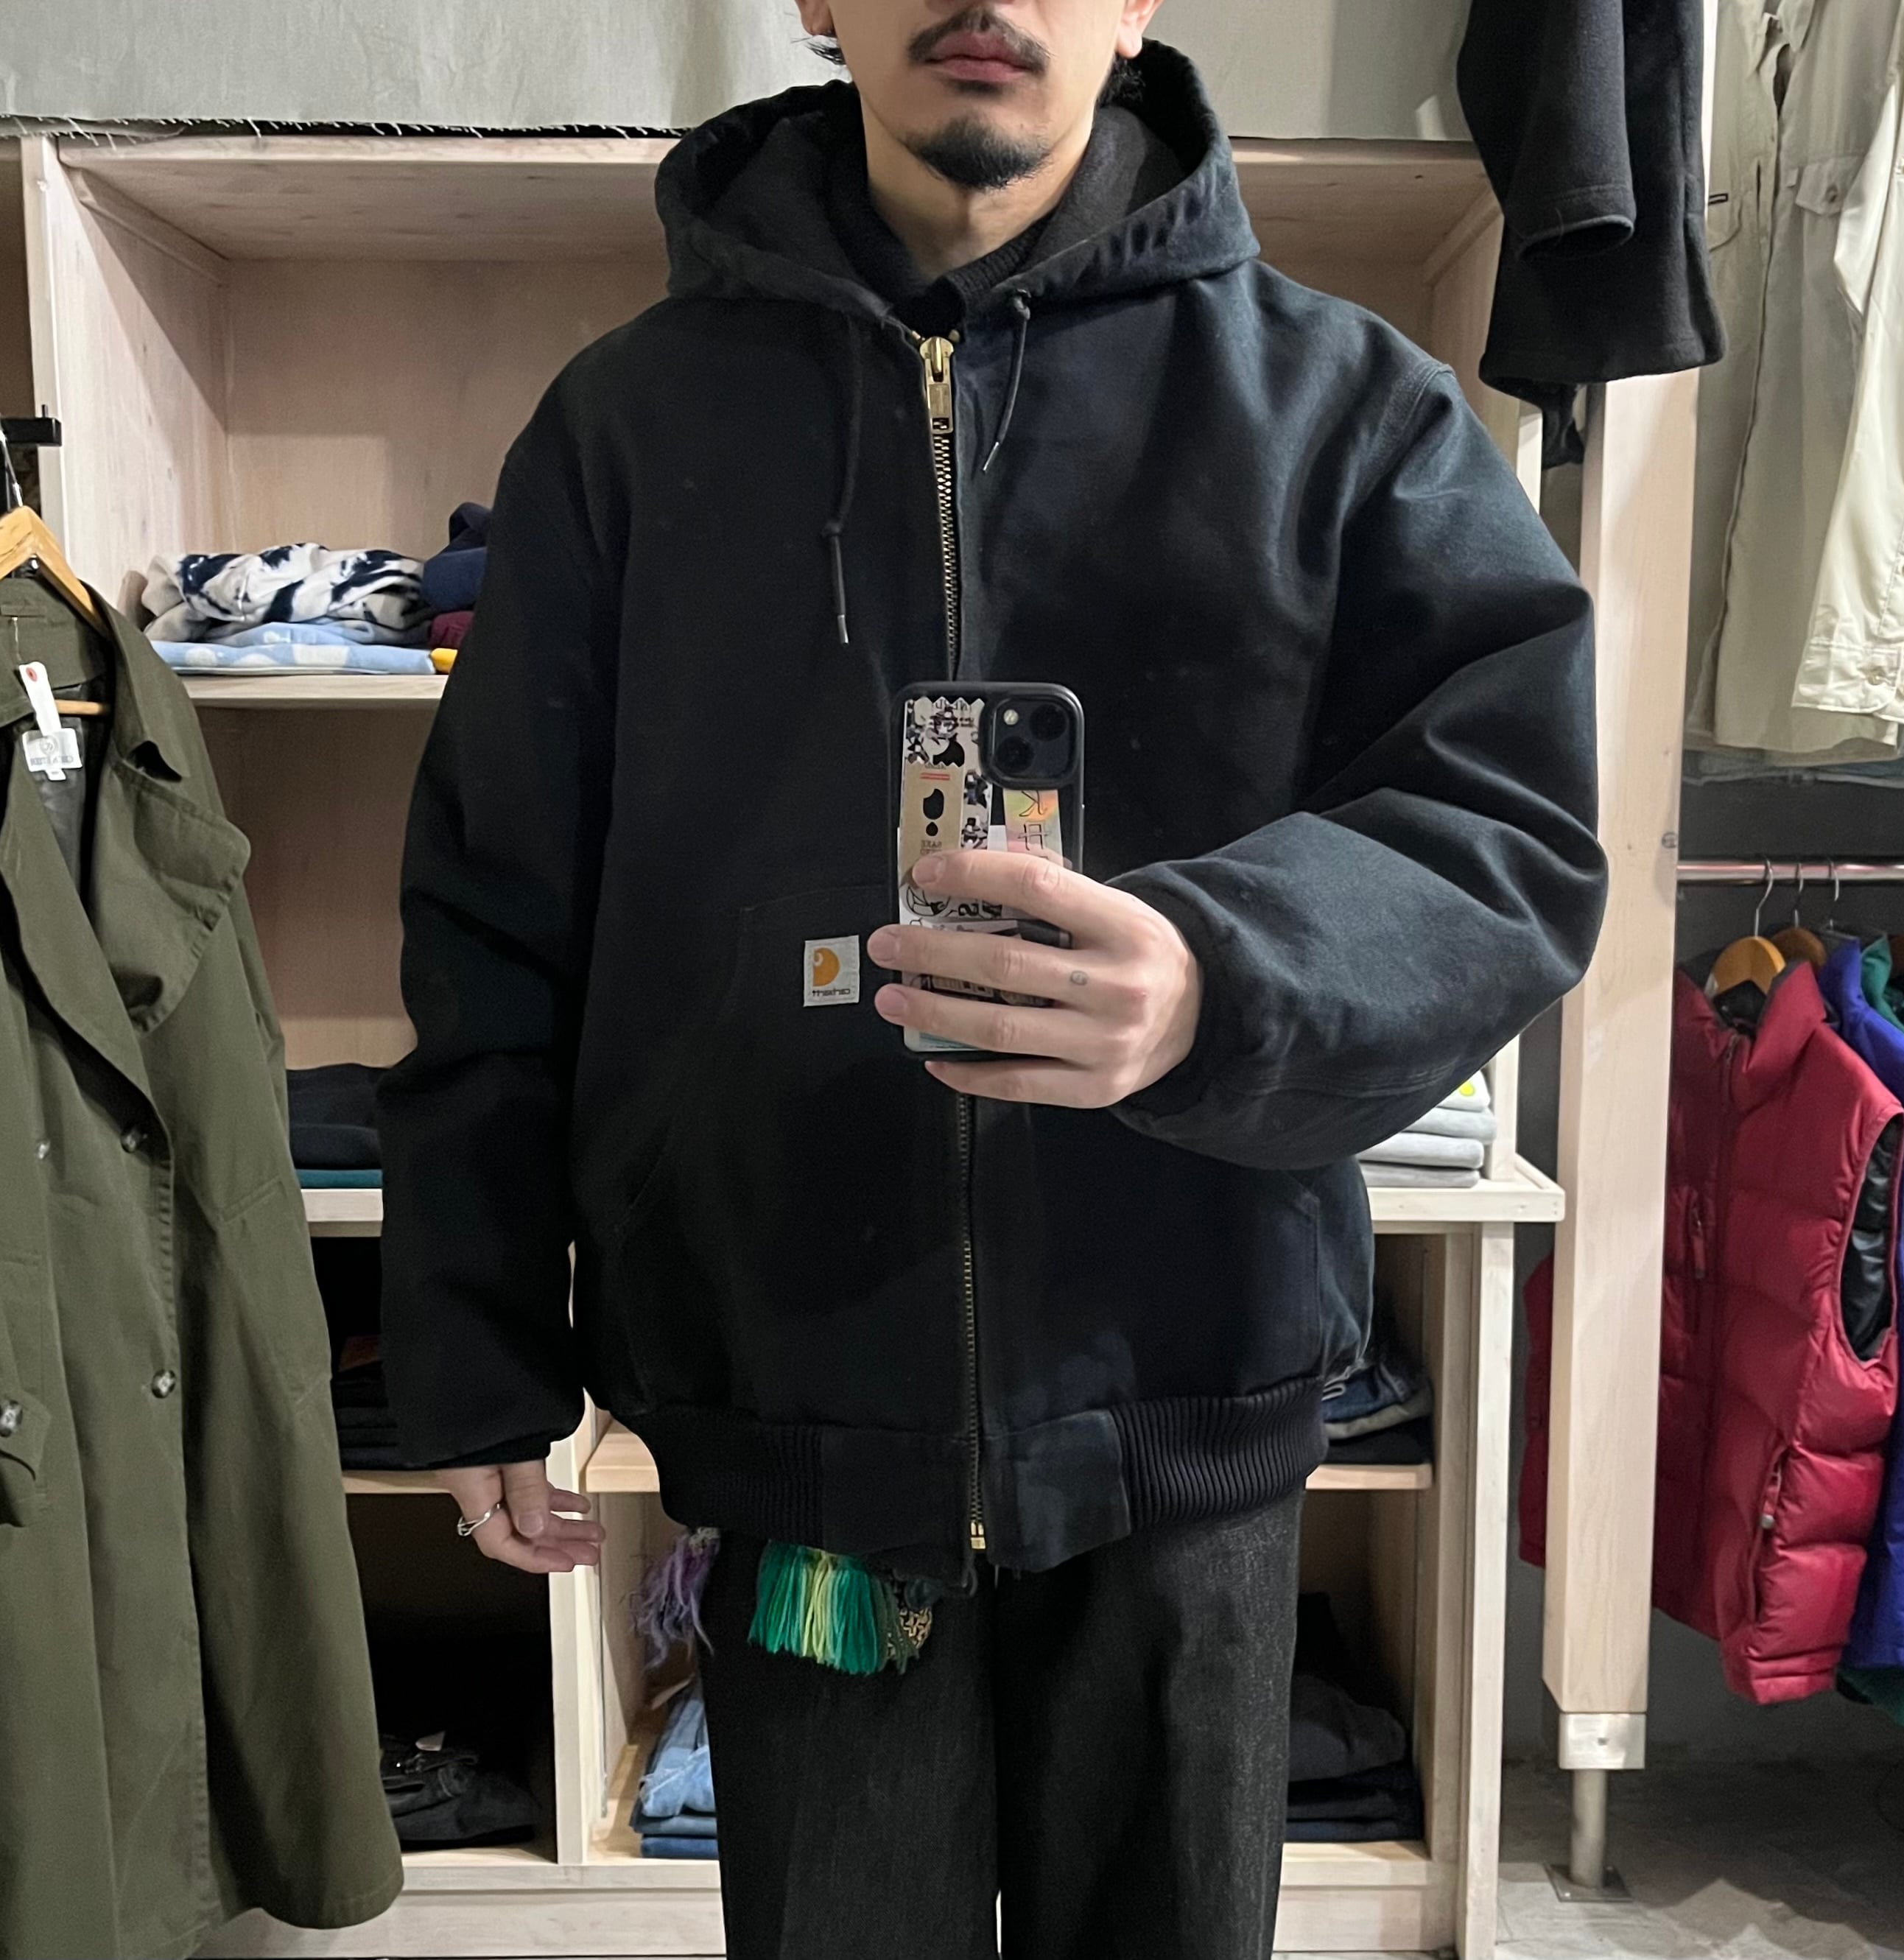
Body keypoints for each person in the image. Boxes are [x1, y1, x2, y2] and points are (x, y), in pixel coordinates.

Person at [378, 4, 1608, 1954]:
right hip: (799, 1423)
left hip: (1185, 1407)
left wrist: (1219, 980)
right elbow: (494, 908)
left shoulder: (1342, 410)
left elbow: (1510, 837)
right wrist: (474, 1344)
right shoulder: (627, 431)